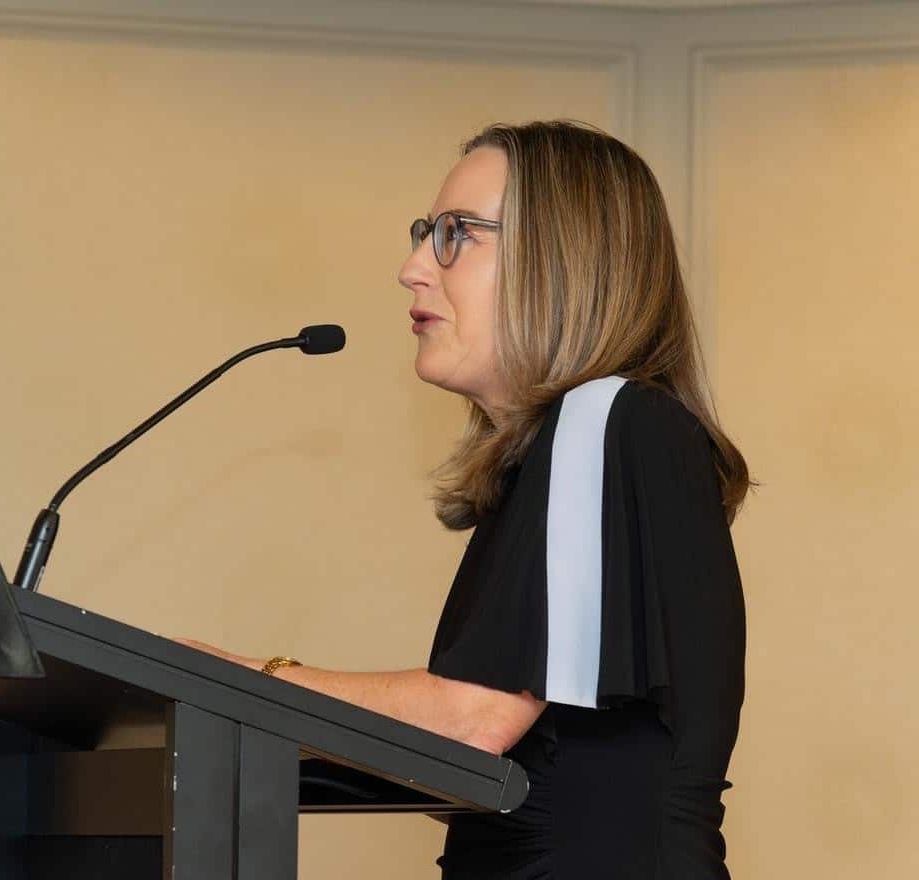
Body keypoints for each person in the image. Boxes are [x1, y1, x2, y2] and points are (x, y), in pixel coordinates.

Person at [178, 119, 750, 878]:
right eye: (425, 233)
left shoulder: (609, 415)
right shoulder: (596, 441)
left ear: (562, 259)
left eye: (456, 234)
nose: (413, 268)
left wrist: (239, 681)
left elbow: (473, 720)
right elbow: (521, 766)